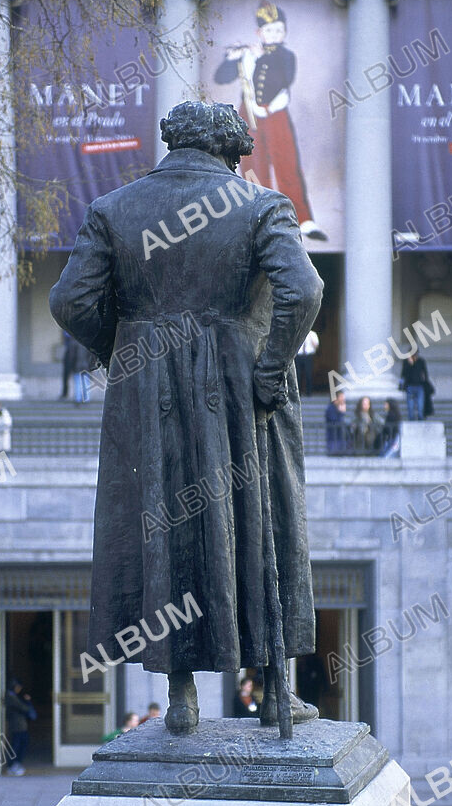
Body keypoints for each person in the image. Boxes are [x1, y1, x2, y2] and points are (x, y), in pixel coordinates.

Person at [49, 100, 323, 736]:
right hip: (238, 390)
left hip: (150, 394)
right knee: (264, 523)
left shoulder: (114, 208)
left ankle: (181, 698)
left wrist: (121, 347)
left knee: (164, 530)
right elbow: (305, 290)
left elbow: (69, 301)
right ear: (232, 151)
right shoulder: (260, 204)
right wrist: (270, 365)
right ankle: (278, 693)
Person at [213, 0, 327, 241]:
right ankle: (256, 216)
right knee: (252, 166)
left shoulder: (285, 56)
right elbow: (221, 77)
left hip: (275, 113)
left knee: (286, 163)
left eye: (278, 30)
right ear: (259, 32)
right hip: (249, 114)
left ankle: (302, 218)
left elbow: (283, 79)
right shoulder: (247, 55)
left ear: (284, 33)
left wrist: (258, 59)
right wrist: (231, 58)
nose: (273, 35)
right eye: (268, 30)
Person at [4, 678, 36, 776]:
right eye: (18, 687)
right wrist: (27, 702)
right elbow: (24, 708)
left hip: (20, 725)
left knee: (21, 744)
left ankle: (16, 764)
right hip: (17, 725)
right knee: (16, 745)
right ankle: (12, 765)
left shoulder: (14, 696)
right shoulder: (10, 697)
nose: (19, 689)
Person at [400, 352, 429, 421]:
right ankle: (411, 418)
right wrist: (410, 364)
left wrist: (425, 382)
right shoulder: (406, 362)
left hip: (419, 385)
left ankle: (420, 417)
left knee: (420, 404)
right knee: (410, 404)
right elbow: (404, 373)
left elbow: (424, 373)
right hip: (410, 386)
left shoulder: (421, 361)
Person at [296, 329, 319, 397]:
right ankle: (298, 393)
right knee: (298, 374)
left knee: (308, 373)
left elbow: (316, 346)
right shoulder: (298, 332)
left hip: (308, 356)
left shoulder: (313, 334)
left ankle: (309, 392)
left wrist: (310, 338)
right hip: (298, 355)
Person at [59, 332, 74, 399]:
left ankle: (65, 393)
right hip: (70, 358)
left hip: (73, 358)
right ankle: (65, 393)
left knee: (77, 378)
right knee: (66, 377)